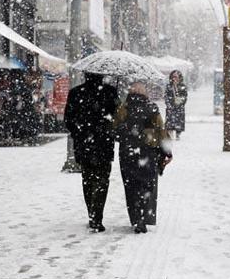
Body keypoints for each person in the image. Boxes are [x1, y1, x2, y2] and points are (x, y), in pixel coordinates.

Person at [64, 72, 119, 232]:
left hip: (84, 144)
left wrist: (78, 132)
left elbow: (68, 119)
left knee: (87, 179)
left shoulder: (76, 92)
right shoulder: (110, 92)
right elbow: (118, 117)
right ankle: (97, 216)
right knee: (102, 180)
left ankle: (92, 213)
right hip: (104, 144)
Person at [116, 81, 173, 234]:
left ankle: (136, 218)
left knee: (131, 186)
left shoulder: (123, 108)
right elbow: (161, 131)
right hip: (148, 153)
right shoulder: (152, 108)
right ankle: (143, 215)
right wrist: (167, 152)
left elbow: (114, 130)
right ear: (144, 93)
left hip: (127, 153)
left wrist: (127, 131)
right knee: (147, 185)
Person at [164, 70, 188, 139]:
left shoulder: (182, 86)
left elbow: (185, 96)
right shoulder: (169, 86)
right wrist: (168, 104)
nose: (175, 78)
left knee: (179, 121)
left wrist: (180, 102)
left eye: (176, 76)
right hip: (170, 107)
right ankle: (169, 133)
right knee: (170, 122)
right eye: (173, 76)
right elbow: (166, 96)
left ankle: (178, 134)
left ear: (179, 77)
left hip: (179, 107)